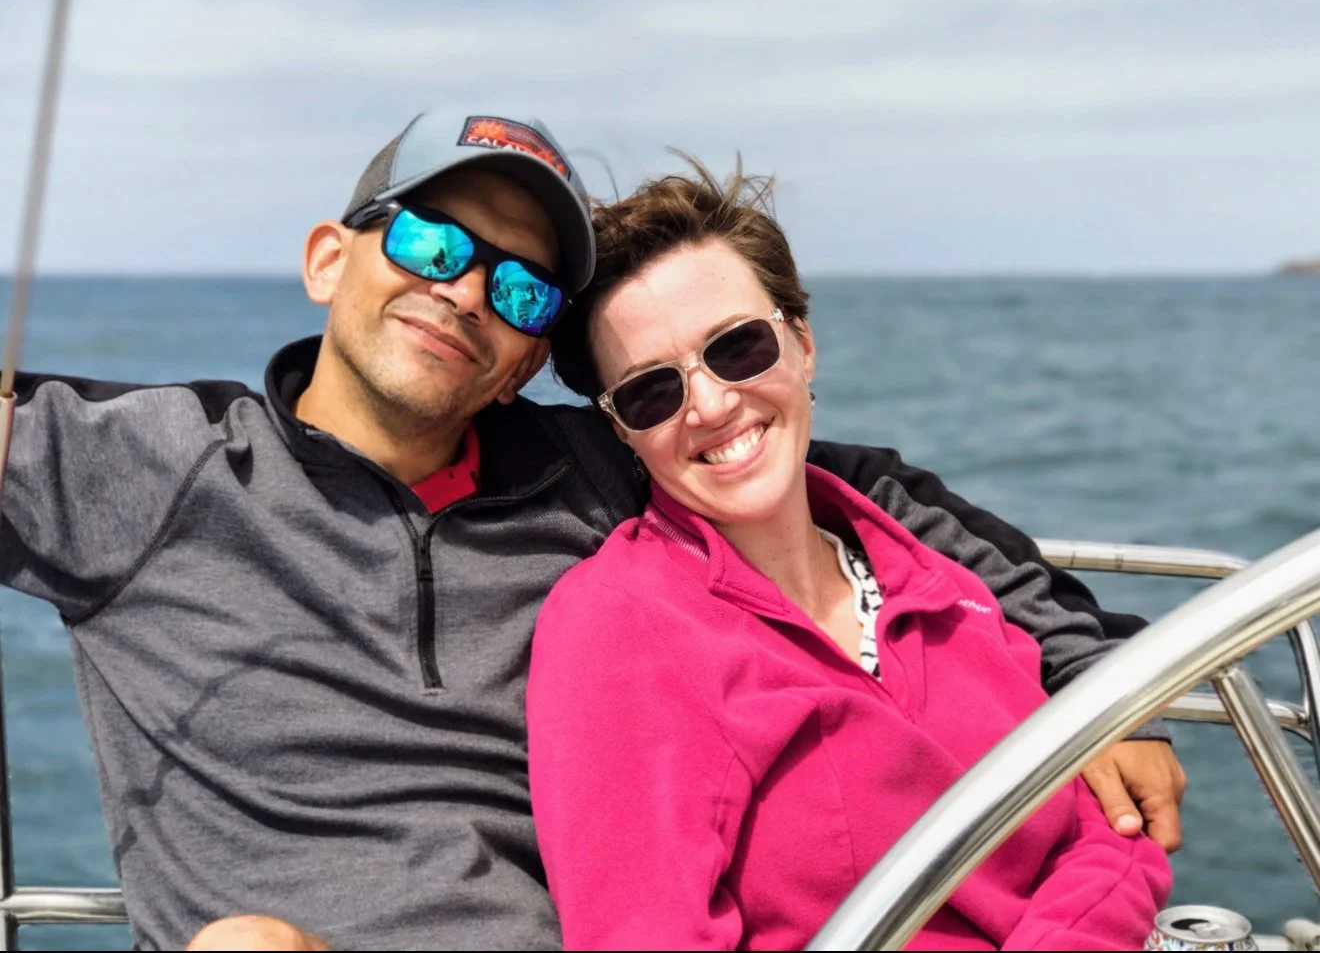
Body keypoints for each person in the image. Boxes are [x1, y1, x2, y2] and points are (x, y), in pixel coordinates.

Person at [0, 112, 1179, 952]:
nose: (465, 292)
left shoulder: (595, 472)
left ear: (525, 365)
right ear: (327, 257)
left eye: (520, 290)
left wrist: (1091, 677)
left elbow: (852, 493)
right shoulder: (139, 465)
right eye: (431, 242)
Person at [528, 160, 1172, 950]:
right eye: (652, 391)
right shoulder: (621, 625)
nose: (711, 404)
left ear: (801, 345)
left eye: (737, 348)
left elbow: (1114, 829)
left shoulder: (935, 576)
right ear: (621, 429)